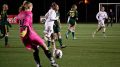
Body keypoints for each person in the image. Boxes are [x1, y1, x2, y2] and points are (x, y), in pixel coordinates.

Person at [17, 1, 59, 67]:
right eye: (32, 7)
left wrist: (23, 31)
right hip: (30, 34)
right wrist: (25, 30)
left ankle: (38, 65)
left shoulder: (20, 14)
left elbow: (18, 21)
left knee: (35, 49)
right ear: (29, 7)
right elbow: (25, 23)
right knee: (44, 46)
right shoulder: (29, 13)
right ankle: (52, 62)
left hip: (23, 37)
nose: (32, 8)